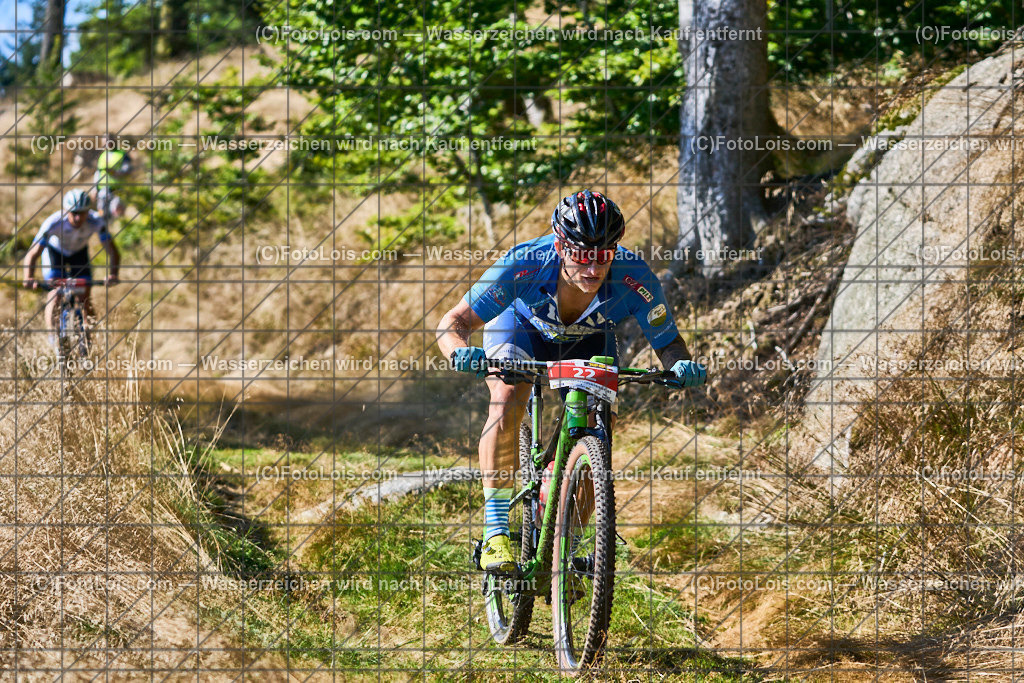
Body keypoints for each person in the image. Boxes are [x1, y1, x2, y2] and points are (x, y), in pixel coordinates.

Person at [436, 189, 707, 573]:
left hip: (587, 341)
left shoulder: (634, 276)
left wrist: (680, 365)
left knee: (601, 426)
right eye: (581, 256)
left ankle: (569, 544)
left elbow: (667, 342)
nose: (594, 269)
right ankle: (496, 533)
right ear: (561, 246)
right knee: (509, 393)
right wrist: (459, 351)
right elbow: (454, 321)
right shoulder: (524, 264)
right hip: (521, 330)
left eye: (603, 255)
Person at [22, 189, 120, 338]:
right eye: (73, 212)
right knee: (55, 294)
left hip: (78, 255)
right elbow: (33, 253)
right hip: (55, 254)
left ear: (88, 211)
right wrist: (28, 277)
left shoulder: (97, 222)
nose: (77, 217)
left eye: (82, 213)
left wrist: (113, 274)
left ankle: (88, 338)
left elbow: (113, 251)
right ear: (65, 210)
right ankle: (53, 338)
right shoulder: (53, 222)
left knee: (85, 298)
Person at [91, 132, 131, 222]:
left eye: (108, 141)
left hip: (117, 191)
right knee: (102, 217)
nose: (106, 143)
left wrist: (115, 173)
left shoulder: (122, 154)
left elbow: (127, 171)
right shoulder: (102, 155)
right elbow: (98, 172)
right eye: (104, 141)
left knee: (117, 215)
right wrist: (94, 188)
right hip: (103, 191)